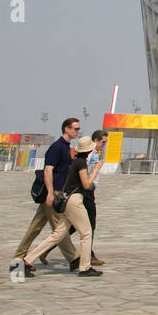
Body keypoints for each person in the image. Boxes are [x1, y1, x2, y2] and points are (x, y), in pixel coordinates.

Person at [19, 135, 102, 278]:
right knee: (86, 232)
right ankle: (85, 267)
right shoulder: (81, 163)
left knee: (57, 235)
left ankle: (26, 261)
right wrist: (95, 170)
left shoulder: (75, 161)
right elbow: (86, 184)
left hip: (67, 200)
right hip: (75, 202)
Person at [11, 118, 80, 269]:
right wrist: (50, 193)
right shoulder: (57, 147)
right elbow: (48, 169)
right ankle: (74, 259)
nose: (78, 131)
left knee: (35, 227)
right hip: (53, 192)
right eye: (75, 129)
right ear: (66, 129)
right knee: (60, 228)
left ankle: (18, 258)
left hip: (57, 191)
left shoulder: (66, 147)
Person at [83, 129, 108, 266]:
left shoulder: (96, 153)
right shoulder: (91, 154)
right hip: (87, 191)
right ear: (95, 141)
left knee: (74, 226)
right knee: (90, 224)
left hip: (89, 190)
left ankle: (49, 247)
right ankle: (89, 256)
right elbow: (89, 171)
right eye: (103, 142)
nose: (104, 145)